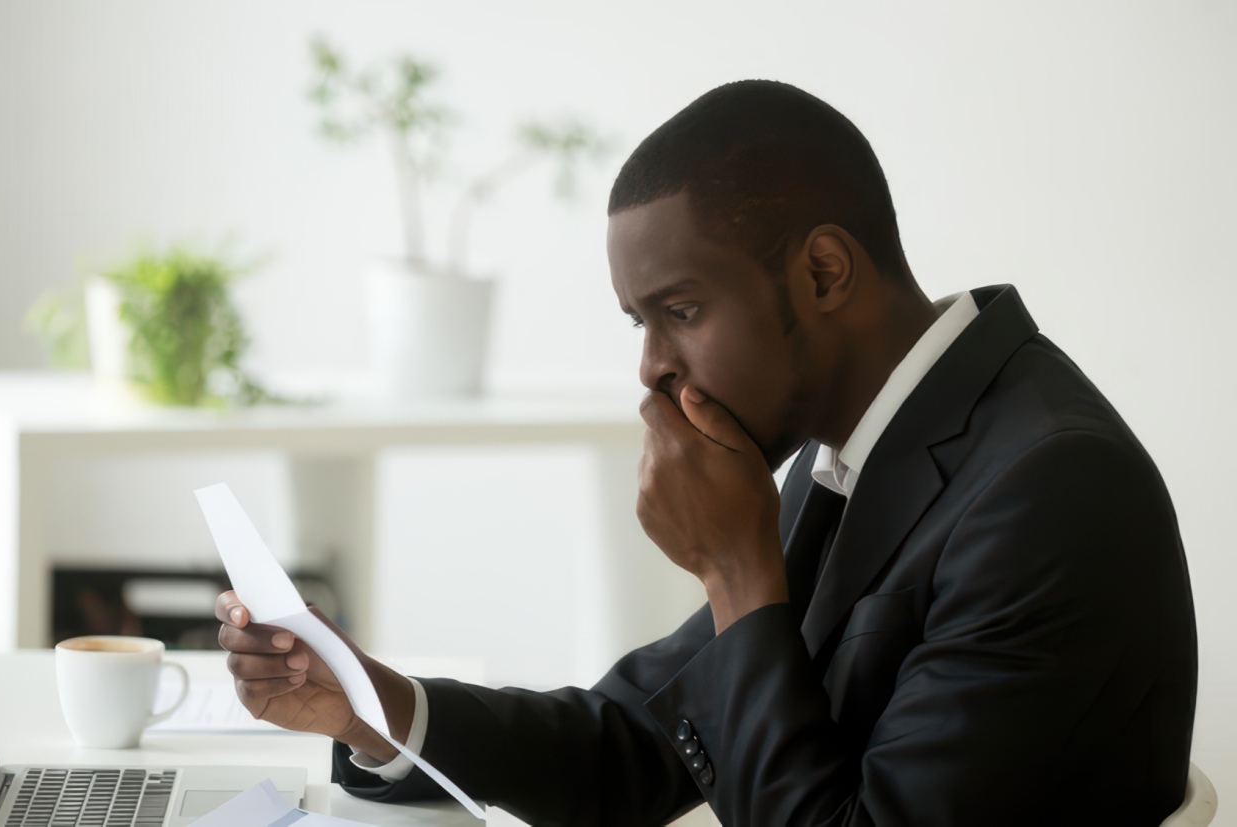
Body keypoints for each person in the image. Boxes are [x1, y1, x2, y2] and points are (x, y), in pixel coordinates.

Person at [217, 80, 1197, 826]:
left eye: (679, 311)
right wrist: (366, 705)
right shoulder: (866, 442)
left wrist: (736, 566)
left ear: (821, 271)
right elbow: (640, 738)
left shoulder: (1049, 490)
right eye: (638, 323)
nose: (649, 368)